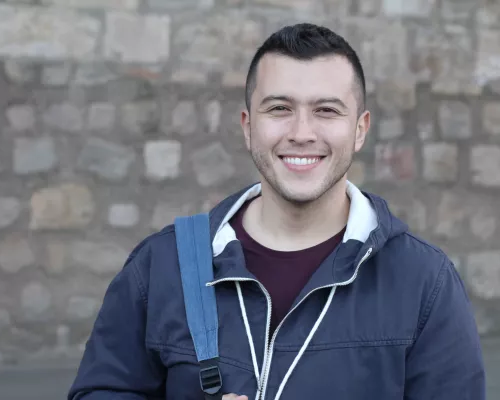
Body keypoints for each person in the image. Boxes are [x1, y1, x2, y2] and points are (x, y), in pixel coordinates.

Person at [67, 23, 486, 400]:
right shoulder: (161, 266)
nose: (301, 133)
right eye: (280, 109)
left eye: (326, 110)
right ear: (249, 125)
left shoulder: (425, 284)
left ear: (360, 129)